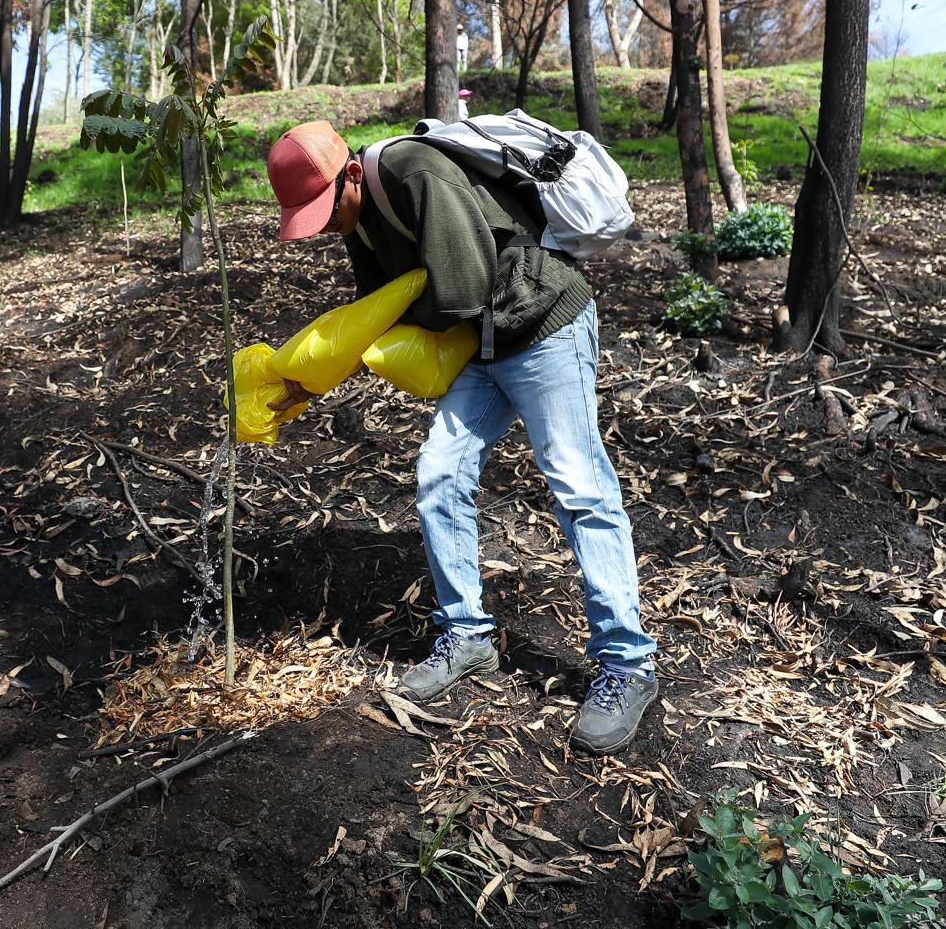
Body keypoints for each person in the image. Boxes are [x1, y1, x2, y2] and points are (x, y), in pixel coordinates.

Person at [264, 121, 655, 755]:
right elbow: (376, 312)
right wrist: (307, 380)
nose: (323, 227)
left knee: (578, 485)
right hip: (483, 344)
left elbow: (461, 289)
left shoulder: (414, 171)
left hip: (541, 325)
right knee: (439, 474)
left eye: (324, 209)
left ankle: (627, 666)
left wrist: (387, 343)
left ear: (352, 175)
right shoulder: (356, 219)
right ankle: (468, 637)